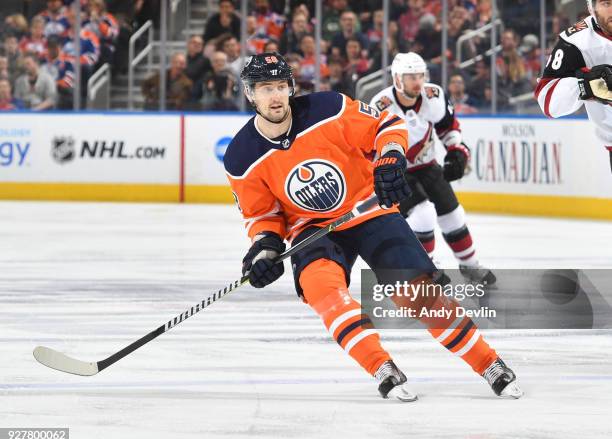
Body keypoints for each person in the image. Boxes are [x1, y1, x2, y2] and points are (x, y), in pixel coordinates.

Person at [224, 52, 523, 401]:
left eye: (280, 86)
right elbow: (262, 216)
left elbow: (387, 125)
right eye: (264, 89)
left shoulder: (329, 108)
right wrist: (265, 247)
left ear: (290, 87)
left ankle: (489, 363)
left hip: (369, 209)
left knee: (417, 293)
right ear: (250, 94)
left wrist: (391, 156)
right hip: (312, 228)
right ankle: (381, 366)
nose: (275, 96)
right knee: (324, 292)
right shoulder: (240, 156)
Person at [370, 52, 495, 285]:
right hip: (396, 173)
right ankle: (425, 270)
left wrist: (457, 150)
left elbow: (447, 127)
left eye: (420, 75)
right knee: (423, 214)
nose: (417, 81)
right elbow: (369, 146)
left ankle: (470, 266)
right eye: (410, 77)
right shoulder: (380, 105)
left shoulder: (433, 95)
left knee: (454, 215)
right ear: (397, 79)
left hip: (427, 166)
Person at [534, 0, 612, 171]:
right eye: (607, 3)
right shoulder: (576, 42)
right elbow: (548, 103)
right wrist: (585, 84)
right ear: (591, 8)